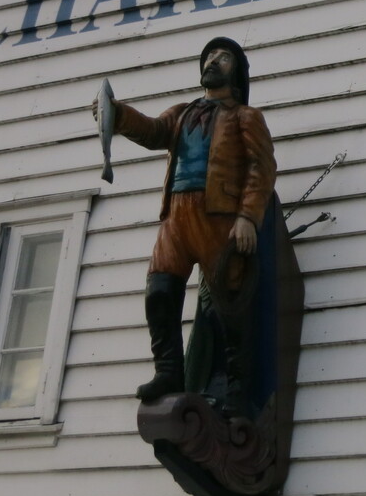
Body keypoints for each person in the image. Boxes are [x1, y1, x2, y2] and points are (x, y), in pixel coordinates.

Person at [95, 37, 276, 410]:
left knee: (230, 303)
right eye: (209, 56)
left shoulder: (245, 117)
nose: (213, 61)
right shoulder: (181, 113)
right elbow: (152, 131)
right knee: (160, 291)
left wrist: (247, 217)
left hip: (218, 216)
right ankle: (168, 372)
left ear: (237, 73)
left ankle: (237, 389)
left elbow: (262, 167)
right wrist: (115, 114)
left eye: (223, 57)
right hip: (176, 216)